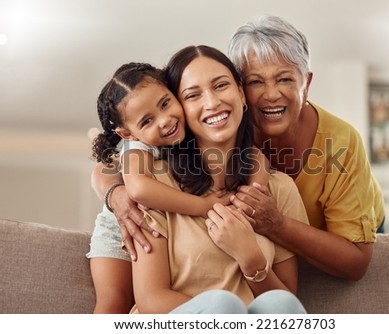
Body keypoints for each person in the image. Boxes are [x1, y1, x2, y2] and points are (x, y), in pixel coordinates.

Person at [129, 45, 308, 313]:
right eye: (193, 95)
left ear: (241, 93)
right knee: (222, 304)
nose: (212, 103)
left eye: (221, 85)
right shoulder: (158, 185)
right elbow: (150, 301)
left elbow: (287, 306)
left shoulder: (279, 188)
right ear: (181, 111)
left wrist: (251, 259)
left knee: (281, 303)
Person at [87, 62, 270, 313]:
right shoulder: (138, 149)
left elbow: (256, 156)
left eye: (165, 104)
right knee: (113, 302)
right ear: (128, 133)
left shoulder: (195, 128)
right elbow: (138, 189)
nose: (165, 121)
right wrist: (203, 206)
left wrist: (255, 191)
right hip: (121, 222)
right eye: (148, 120)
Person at [222, 15, 385, 281]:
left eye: (284, 79)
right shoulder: (225, 132)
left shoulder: (342, 141)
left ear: (306, 84)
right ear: (239, 90)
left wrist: (277, 225)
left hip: (359, 226)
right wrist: (126, 189)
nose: (271, 94)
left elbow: (356, 261)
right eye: (255, 82)